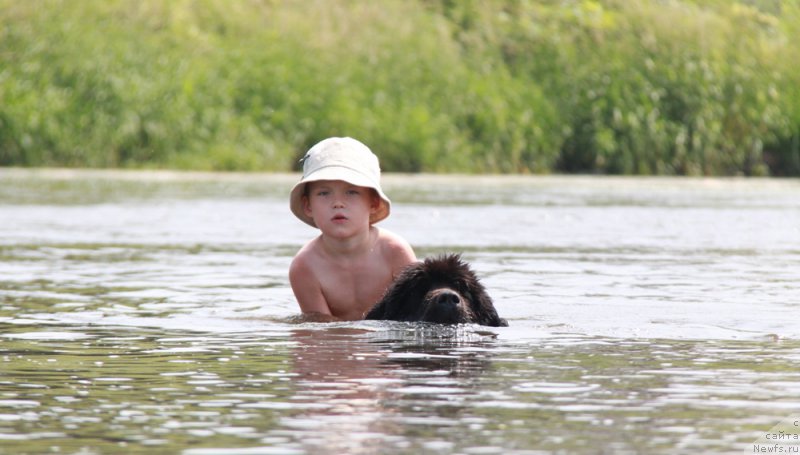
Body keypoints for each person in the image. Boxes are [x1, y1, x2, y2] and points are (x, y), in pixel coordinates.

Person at [288, 137, 417, 321]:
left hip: (386, 347)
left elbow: (415, 314)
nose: (338, 203)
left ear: (373, 202)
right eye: (324, 193)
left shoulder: (394, 252)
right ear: (308, 206)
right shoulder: (305, 266)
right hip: (335, 348)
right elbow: (319, 333)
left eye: (352, 192)